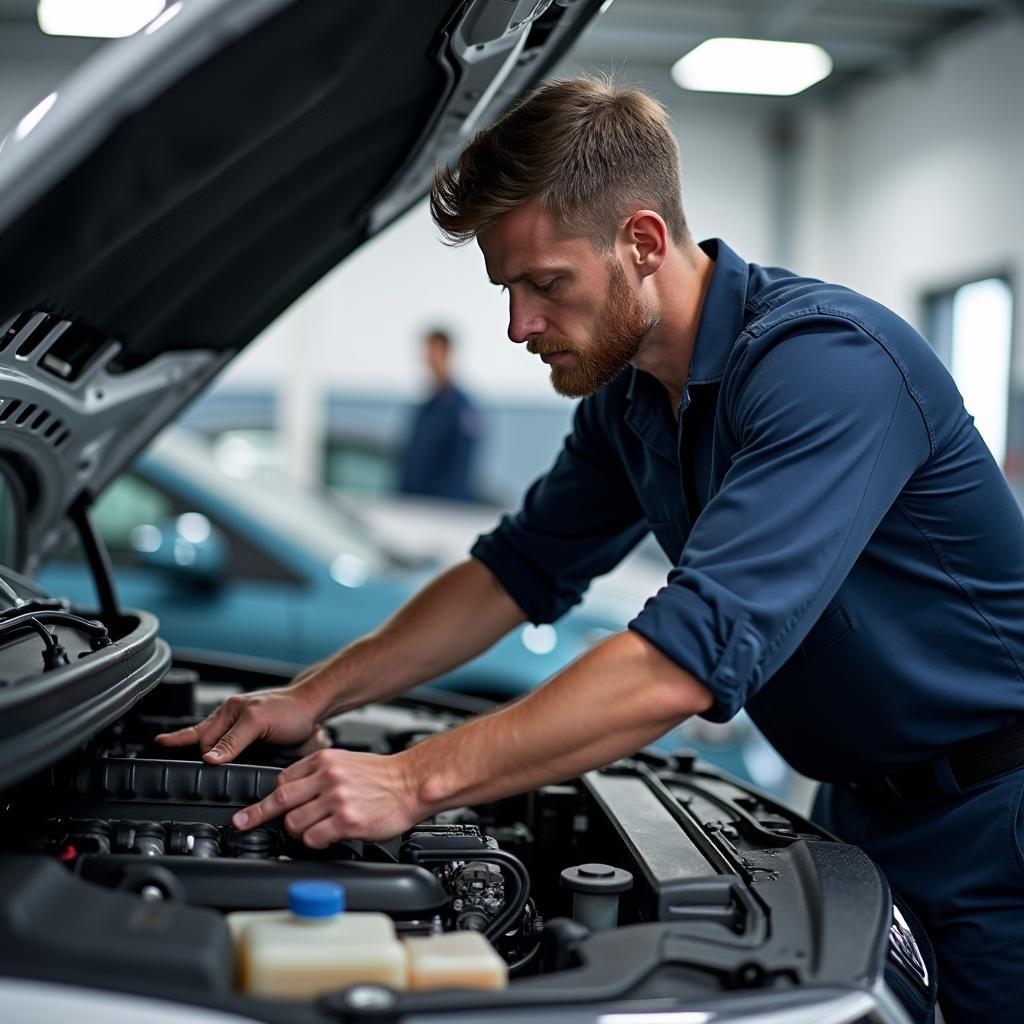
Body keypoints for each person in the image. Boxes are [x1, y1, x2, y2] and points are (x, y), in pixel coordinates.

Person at [158, 77, 1024, 1021]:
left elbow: (681, 665)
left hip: (995, 820)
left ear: (643, 242)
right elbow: (514, 570)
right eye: (507, 289)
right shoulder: (632, 399)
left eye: (546, 284)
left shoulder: (830, 367)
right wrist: (313, 694)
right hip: (857, 810)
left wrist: (412, 781)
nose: (519, 324)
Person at [397, 328, 481, 502]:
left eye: (434, 352)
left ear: (446, 353)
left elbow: (460, 469)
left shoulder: (462, 410)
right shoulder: (425, 409)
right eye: (427, 353)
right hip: (413, 506)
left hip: (443, 511)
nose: (429, 359)